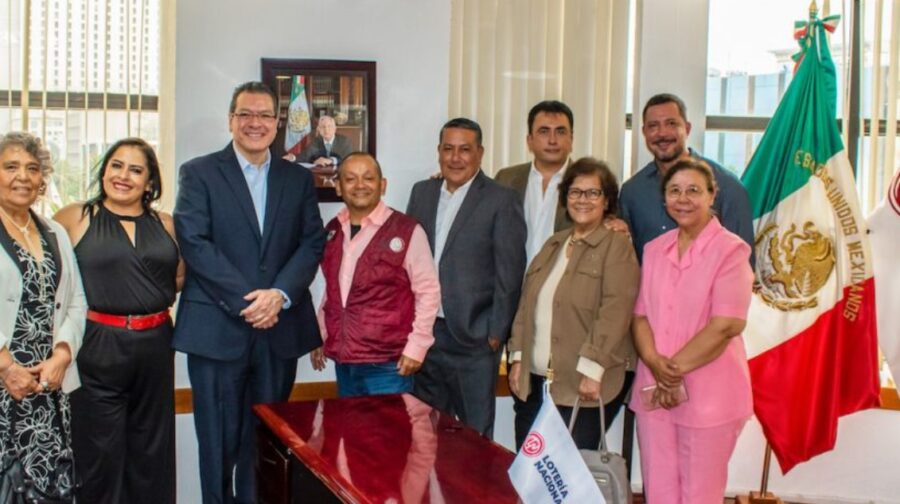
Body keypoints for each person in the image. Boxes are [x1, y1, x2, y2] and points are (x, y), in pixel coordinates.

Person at [173, 81, 325, 503]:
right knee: (218, 443)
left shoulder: (297, 179)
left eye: (263, 115)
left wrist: (278, 294)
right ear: (231, 120)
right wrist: (252, 301)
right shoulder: (198, 172)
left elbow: (312, 242)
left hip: (279, 332)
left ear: (278, 124)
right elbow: (194, 241)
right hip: (216, 331)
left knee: (266, 445)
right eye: (245, 114)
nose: (254, 123)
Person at [54, 138, 183, 503]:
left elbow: (178, 278)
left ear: (150, 182)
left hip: (156, 345)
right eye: (116, 165)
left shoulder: (167, 224)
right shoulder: (74, 217)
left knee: (151, 451)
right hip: (97, 347)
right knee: (99, 453)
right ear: (104, 170)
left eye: (135, 169)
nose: (123, 176)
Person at [629, 159, 754, 503]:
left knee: (700, 494)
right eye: (675, 190)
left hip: (710, 395)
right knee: (659, 490)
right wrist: (655, 364)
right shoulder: (654, 250)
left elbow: (727, 324)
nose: (683, 199)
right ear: (664, 199)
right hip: (654, 390)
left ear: (712, 195)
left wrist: (672, 372)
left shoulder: (731, 250)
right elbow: (639, 317)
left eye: (694, 190)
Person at [507, 157, 640, 450]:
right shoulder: (553, 244)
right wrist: (517, 359)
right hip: (535, 384)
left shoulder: (616, 246)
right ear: (565, 198)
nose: (583, 200)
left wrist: (593, 370)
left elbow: (615, 312)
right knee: (530, 476)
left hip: (583, 385)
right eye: (575, 192)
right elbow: (525, 306)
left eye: (593, 193)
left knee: (569, 479)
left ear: (607, 201)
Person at [406, 118, 527, 438]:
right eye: (448, 149)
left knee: (475, 436)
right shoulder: (422, 193)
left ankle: (476, 490)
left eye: (465, 150)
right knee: (426, 432)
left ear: (480, 153)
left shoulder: (501, 199)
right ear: (438, 152)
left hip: (474, 339)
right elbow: (409, 260)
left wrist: (496, 332)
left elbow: (510, 271)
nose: (455, 158)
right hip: (427, 335)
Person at [311, 152, 440, 396]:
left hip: (389, 366)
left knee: (387, 435)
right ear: (338, 186)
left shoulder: (407, 230)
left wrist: (417, 347)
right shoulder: (333, 230)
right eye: (350, 179)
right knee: (349, 433)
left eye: (368, 178)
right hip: (345, 362)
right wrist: (321, 334)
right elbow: (332, 290)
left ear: (382, 185)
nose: (360, 185)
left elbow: (428, 292)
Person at [0, 132, 85, 500]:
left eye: (32, 169)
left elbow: (76, 302)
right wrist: (6, 368)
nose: (23, 176)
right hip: (4, 384)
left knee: (47, 490)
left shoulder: (55, 232)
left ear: (42, 179)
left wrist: (63, 356)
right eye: (10, 167)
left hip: (47, 387)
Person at [619, 93, 754, 264]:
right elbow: (626, 259)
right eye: (653, 126)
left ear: (687, 129)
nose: (662, 133)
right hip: (650, 290)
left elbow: (743, 264)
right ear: (644, 132)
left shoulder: (728, 186)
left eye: (671, 124)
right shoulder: (632, 191)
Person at [495, 100, 574, 264]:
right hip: (515, 285)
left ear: (571, 139)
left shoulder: (589, 185)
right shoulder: (506, 179)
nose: (552, 140)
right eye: (544, 131)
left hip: (566, 285)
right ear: (529, 140)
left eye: (560, 132)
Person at [286, 115, 353, 166]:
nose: (326, 130)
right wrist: (292, 158)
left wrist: (331, 160)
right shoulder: (316, 141)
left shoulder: (344, 141)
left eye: (329, 126)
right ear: (319, 130)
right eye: (323, 127)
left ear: (335, 129)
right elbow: (305, 156)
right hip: (320, 175)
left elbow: (348, 159)